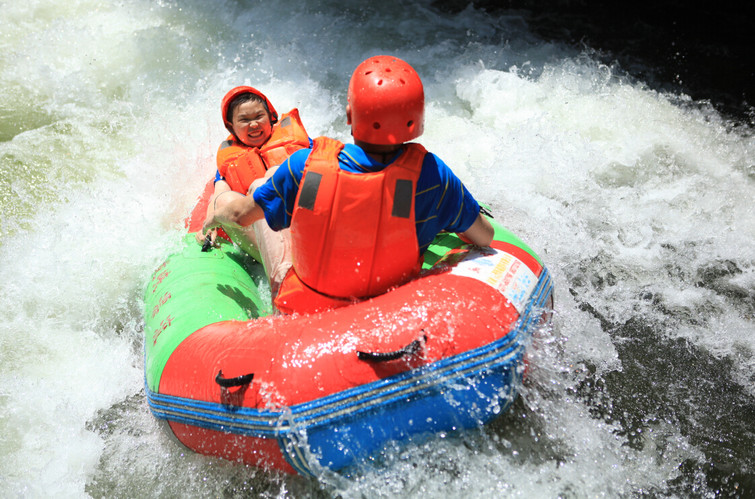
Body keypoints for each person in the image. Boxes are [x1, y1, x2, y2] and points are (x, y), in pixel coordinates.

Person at [203, 55, 494, 314]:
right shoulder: (435, 176)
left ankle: (280, 300)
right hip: (397, 305)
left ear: (349, 115)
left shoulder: (303, 166)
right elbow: (484, 237)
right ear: (417, 119)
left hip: (310, 310)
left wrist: (214, 213)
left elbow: (241, 216)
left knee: (260, 188)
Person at [197, 85, 309, 266]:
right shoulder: (229, 159)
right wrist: (210, 225)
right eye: (244, 120)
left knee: (271, 176)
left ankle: (300, 259)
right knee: (224, 201)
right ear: (231, 127)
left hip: (302, 223)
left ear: (271, 117)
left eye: (259, 117)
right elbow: (218, 195)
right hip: (263, 234)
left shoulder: (296, 143)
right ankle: (282, 266)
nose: (254, 124)